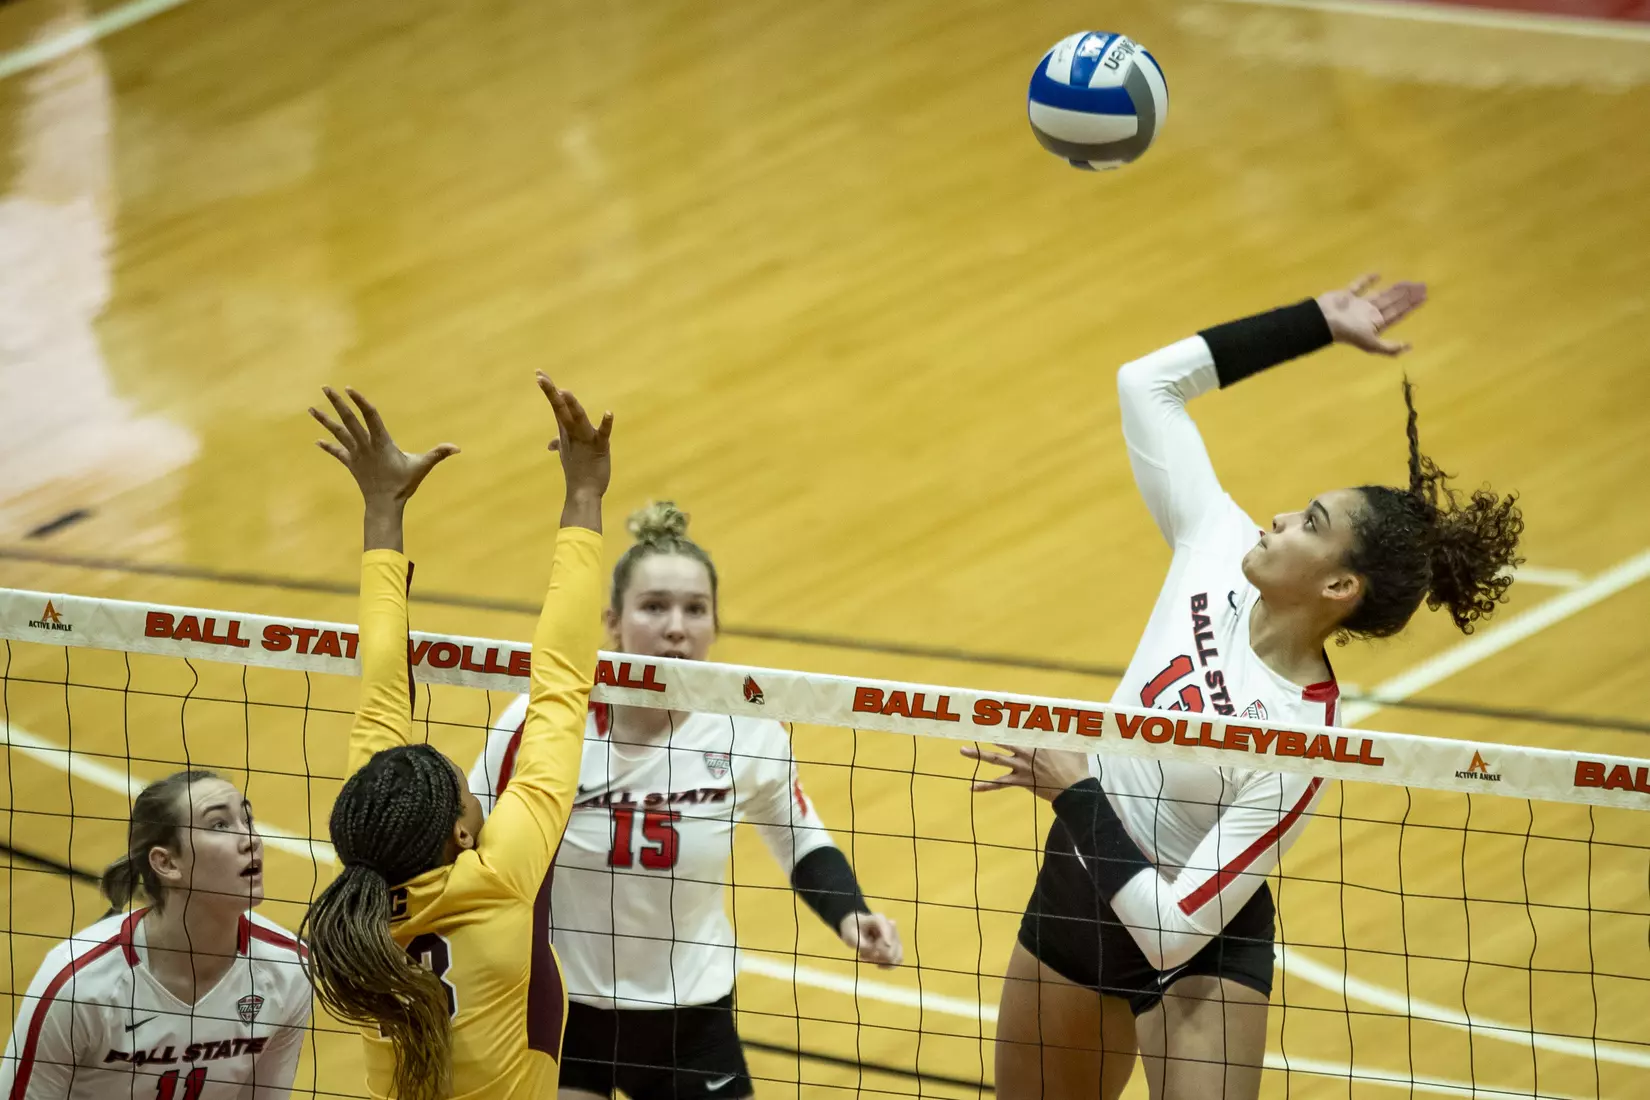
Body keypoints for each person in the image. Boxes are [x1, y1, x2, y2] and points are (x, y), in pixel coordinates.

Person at [965, 276, 1524, 1100]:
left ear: (1338, 589)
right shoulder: (1214, 546)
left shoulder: (1302, 738)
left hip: (1196, 945)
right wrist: (1314, 323)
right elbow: (1144, 384)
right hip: (1082, 893)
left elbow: (1167, 933)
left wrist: (1079, 793)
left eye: (1309, 523)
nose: (1279, 520)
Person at [469, 500, 904, 1100]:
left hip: (690, 1015)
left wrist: (851, 915)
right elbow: (472, 829)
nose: (677, 626)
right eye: (654, 607)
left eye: (695, 610)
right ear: (612, 621)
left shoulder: (746, 730)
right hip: (560, 1008)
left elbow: (800, 838)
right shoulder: (546, 720)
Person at [299, 375, 611, 1100]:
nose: (478, 800)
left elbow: (388, 698)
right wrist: (585, 496)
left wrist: (383, 508)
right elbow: (558, 678)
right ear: (464, 838)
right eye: (470, 799)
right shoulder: (496, 879)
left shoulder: (365, 900)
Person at [1, 771, 310, 1098]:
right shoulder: (78, 984)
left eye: (247, 819)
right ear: (166, 863)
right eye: (220, 825)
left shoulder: (289, 970)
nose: (251, 839)